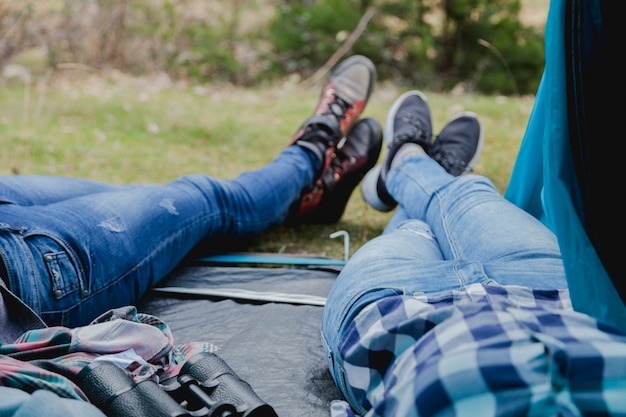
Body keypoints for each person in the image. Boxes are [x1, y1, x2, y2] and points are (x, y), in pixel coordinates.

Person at [0, 54, 383, 335]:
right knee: (205, 199)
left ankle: (305, 201)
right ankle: (314, 144)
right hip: (26, 270)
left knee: (165, 201)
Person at [320, 89, 626, 416]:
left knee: (416, 229)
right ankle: (426, 168)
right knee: (471, 192)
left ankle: (406, 160)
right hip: (551, 293)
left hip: (395, 321)